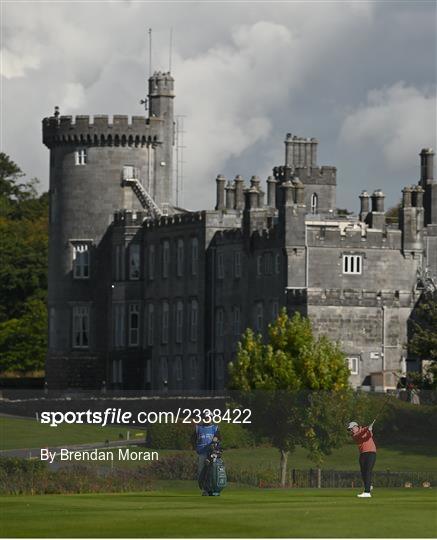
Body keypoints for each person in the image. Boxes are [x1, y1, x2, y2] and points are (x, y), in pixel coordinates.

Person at [347, 420, 376, 498]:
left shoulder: (364, 430)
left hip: (371, 452)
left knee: (368, 471)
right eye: (349, 430)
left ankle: (367, 492)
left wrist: (369, 430)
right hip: (362, 454)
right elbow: (361, 434)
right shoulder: (355, 435)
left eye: (351, 429)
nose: (350, 431)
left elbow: (369, 436)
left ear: (356, 426)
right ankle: (368, 485)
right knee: (363, 472)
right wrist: (367, 428)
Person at [192, 418, 220, 496]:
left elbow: (218, 438)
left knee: (212, 472)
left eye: (208, 418)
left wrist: (215, 441)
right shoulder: (198, 428)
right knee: (201, 472)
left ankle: (212, 489)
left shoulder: (215, 428)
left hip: (212, 453)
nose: (207, 419)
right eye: (205, 418)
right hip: (202, 453)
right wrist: (195, 448)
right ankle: (205, 490)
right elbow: (193, 439)